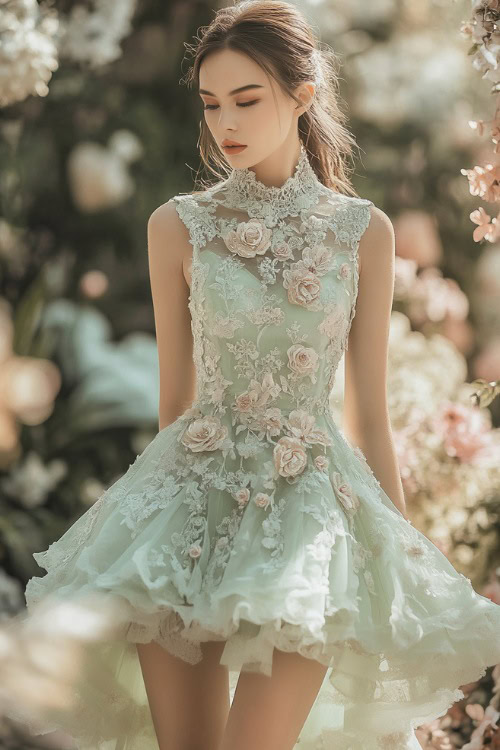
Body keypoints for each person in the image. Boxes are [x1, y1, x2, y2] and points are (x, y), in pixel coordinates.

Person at [12, 2, 500, 750]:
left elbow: (368, 409)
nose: (225, 123)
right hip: (186, 512)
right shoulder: (176, 226)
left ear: (302, 98)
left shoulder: (363, 232)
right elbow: (174, 404)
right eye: (211, 103)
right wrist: (147, 523)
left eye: (247, 100)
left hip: (306, 523)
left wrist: (403, 558)